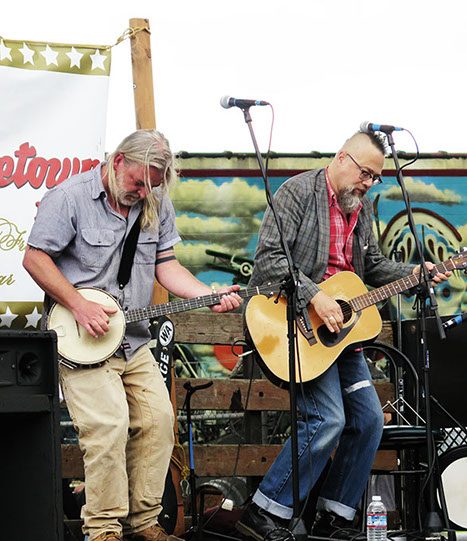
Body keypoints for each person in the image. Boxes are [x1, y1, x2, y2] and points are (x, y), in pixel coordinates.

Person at [23, 129, 242, 541]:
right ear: (118, 160)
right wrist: (78, 304)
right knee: (108, 427)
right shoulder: (68, 197)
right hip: (81, 342)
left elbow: (167, 264)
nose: (142, 192)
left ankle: (145, 526)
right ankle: (103, 530)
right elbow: (34, 258)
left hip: (134, 339)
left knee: (159, 422)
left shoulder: (155, 201)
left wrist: (206, 294)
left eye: (152, 186)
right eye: (138, 182)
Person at [236, 131, 451, 540]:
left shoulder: (361, 209)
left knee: (369, 420)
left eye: (375, 178)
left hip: (340, 338)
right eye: (365, 173)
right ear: (341, 158)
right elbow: (268, 260)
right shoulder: (296, 193)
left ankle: (334, 516)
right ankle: (264, 511)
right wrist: (316, 296)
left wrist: (416, 274)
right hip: (295, 327)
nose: (368, 183)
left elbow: (371, 266)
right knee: (328, 419)